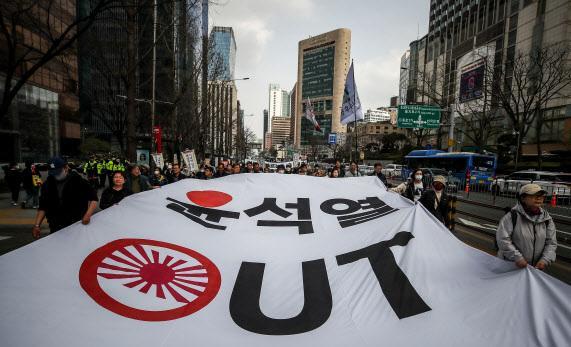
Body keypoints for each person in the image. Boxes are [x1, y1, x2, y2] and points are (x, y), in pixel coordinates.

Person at [496, 184, 557, 270]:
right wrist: (518, 258)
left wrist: (545, 260)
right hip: (511, 267)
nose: (539, 198)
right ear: (523, 198)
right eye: (534, 195)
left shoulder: (547, 219)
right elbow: (503, 239)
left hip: (535, 270)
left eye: (541, 195)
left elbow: (551, 243)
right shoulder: (512, 216)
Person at [32, 157, 98, 236]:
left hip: (76, 225)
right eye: (53, 173)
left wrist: (87, 215)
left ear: (66, 168)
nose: (56, 175)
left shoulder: (78, 181)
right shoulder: (47, 185)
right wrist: (37, 225)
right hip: (55, 227)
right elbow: (43, 206)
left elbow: (94, 198)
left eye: (58, 172)